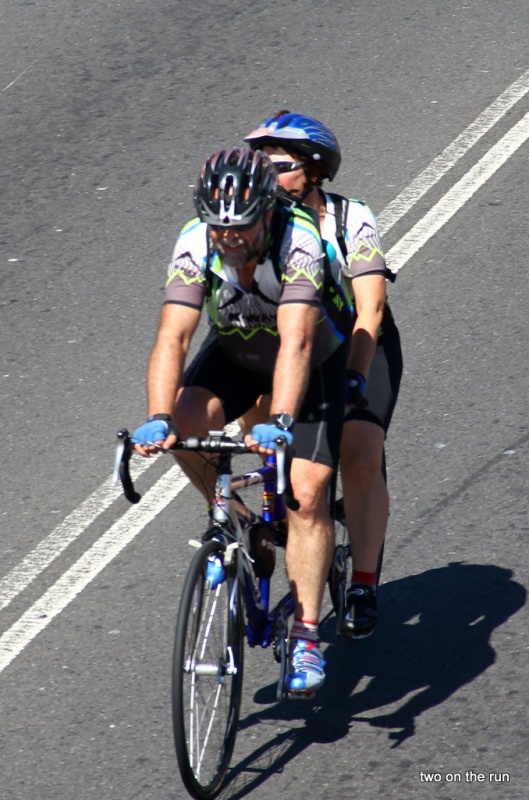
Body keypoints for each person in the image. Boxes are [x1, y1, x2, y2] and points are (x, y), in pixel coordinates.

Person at [130, 147, 351, 695]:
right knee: (183, 427)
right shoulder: (195, 241)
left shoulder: (298, 239)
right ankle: (240, 520)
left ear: (267, 212)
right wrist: (158, 417)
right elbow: (173, 336)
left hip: (311, 360)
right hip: (236, 351)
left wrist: (281, 418)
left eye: (241, 226)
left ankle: (306, 635)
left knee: (307, 491)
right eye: (218, 226)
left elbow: (297, 341)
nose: (228, 238)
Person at [242, 112, 403, 638]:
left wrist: (356, 375)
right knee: (272, 453)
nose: (265, 175)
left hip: (358, 343)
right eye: (260, 164)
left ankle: (362, 583)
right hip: (288, 346)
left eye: (280, 166)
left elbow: (370, 308)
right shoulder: (254, 222)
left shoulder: (350, 217)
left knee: (359, 453)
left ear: (314, 171)